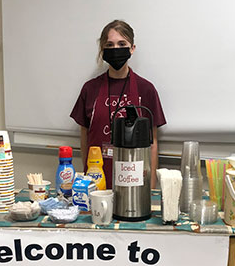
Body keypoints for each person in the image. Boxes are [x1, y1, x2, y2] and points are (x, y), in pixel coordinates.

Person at [70, 20, 166, 189]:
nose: (116, 50)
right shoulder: (90, 89)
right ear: (103, 50)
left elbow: (153, 143)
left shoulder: (146, 89)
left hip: (135, 183)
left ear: (132, 48)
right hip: (97, 181)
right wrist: (87, 176)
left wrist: (150, 189)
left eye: (122, 44)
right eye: (109, 45)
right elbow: (84, 137)